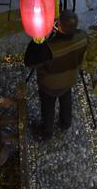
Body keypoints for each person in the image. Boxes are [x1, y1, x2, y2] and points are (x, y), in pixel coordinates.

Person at [24, 10, 89, 139]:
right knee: (66, 98)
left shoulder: (48, 49)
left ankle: (46, 131)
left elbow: (29, 62)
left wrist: (36, 42)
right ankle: (66, 123)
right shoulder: (83, 37)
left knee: (48, 107)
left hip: (49, 86)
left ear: (58, 26)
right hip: (70, 79)